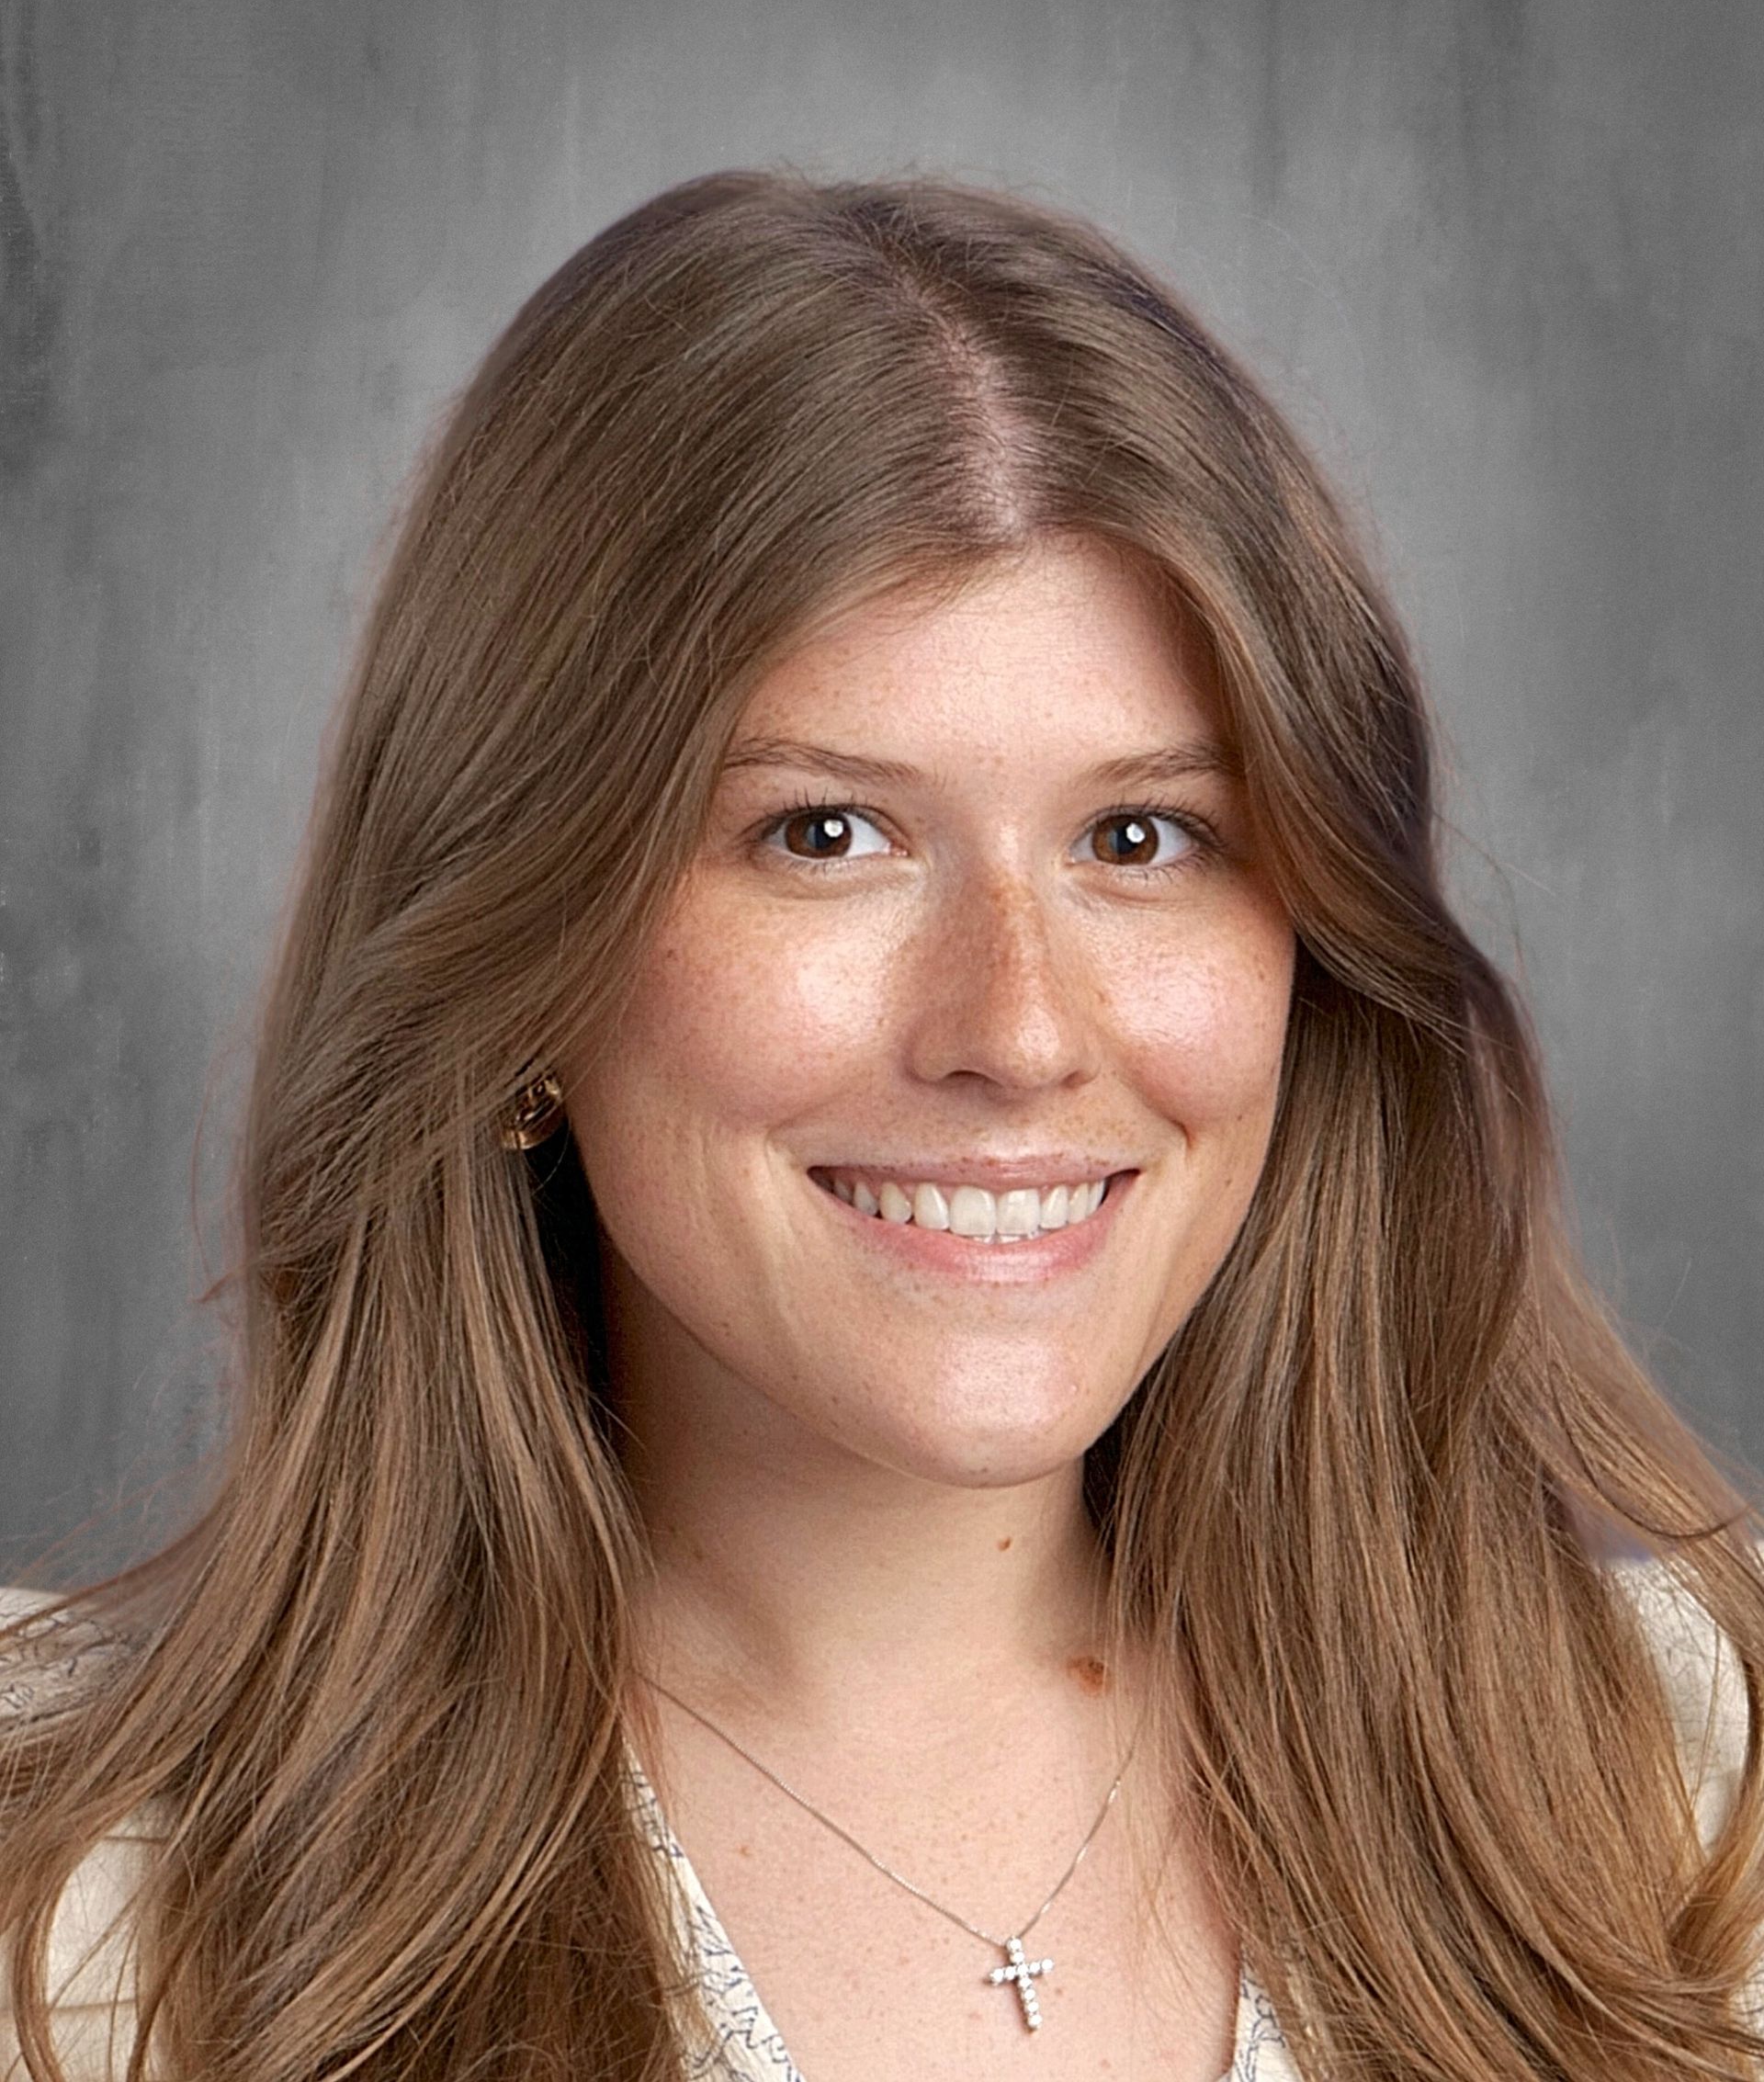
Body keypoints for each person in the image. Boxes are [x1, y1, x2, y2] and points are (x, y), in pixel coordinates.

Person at [2, 168, 1761, 2082]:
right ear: (522, 962)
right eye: (824, 834)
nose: (1014, 1028)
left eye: (1141, 838)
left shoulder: (1690, 1796)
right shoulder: (77, 1905)